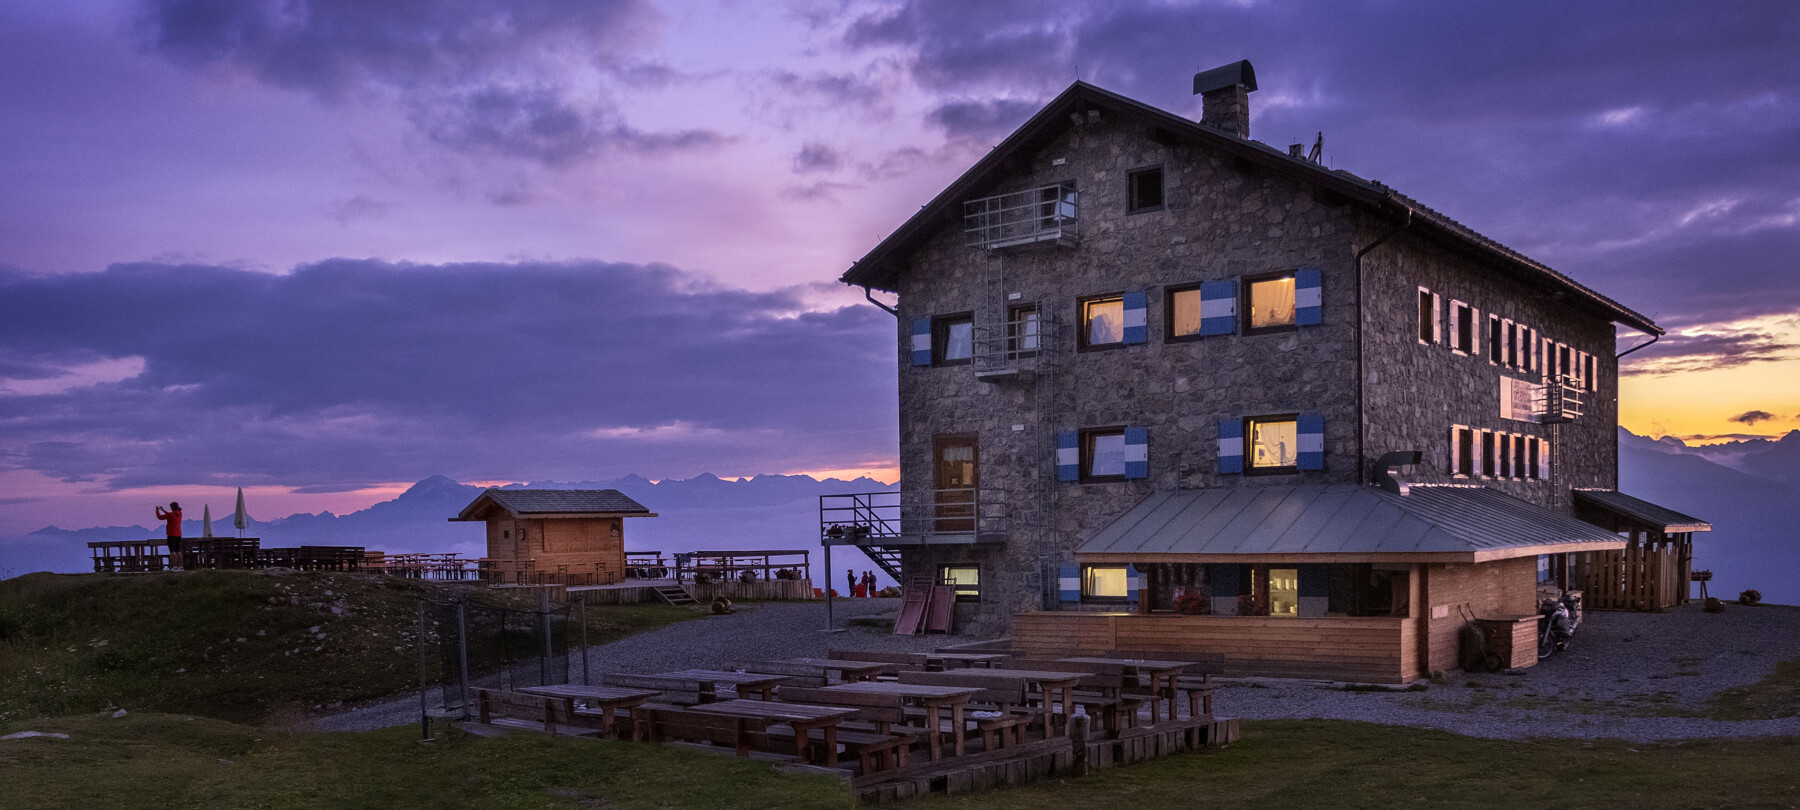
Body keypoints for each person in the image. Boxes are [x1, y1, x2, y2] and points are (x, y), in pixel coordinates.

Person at [155, 502, 183, 570]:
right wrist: (163, 510)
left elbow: (160, 517)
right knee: (178, 551)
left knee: (173, 551)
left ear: (172, 507)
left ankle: (174, 567)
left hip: (171, 535)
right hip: (178, 535)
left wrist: (157, 510)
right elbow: (170, 514)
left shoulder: (171, 515)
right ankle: (180, 567)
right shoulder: (180, 514)